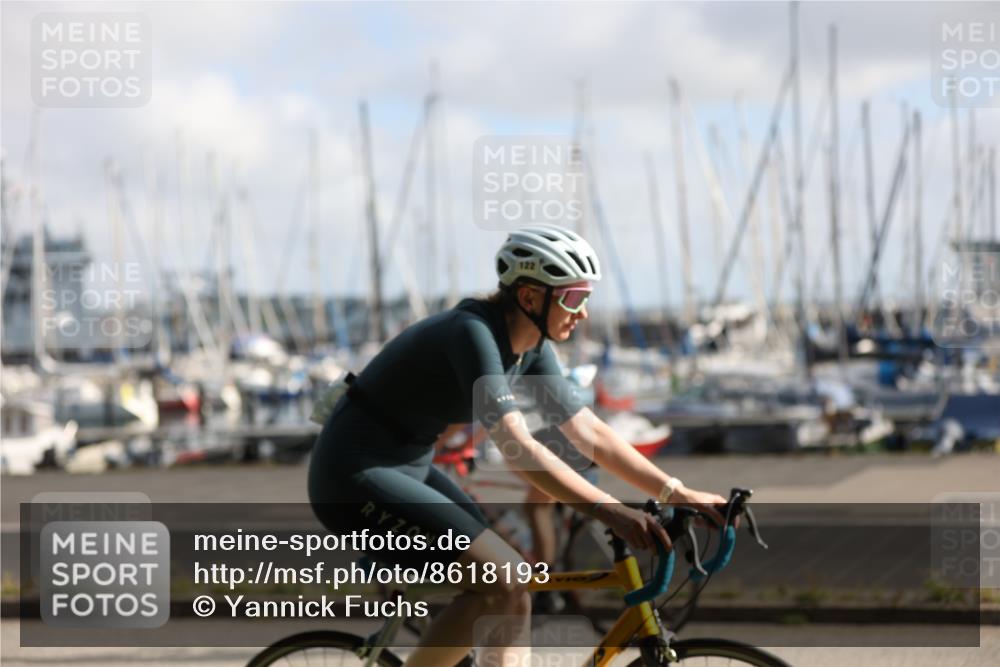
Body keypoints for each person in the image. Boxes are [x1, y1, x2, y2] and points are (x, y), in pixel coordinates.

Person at [308, 223, 726, 667]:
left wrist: (679, 493)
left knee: (515, 590)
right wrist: (610, 510)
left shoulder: (532, 347)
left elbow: (590, 433)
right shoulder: (473, 333)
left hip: (407, 464)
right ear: (529, 297)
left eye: (586, 296)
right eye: (573, 297)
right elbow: (517, 446)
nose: (582, 312)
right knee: (503, 579)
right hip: (353, 474)